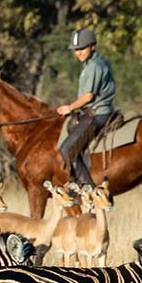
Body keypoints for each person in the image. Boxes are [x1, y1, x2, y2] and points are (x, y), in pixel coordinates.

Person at [56, 27, 115, 187]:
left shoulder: (94, 65)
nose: (79, 53)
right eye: (76, 50)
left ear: (92, 46)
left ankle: (89, 189)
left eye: (82, 48)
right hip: (90, 113)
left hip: (97, 114)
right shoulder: (89, 64)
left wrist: (70, 107)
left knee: (67, 149)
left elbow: (89, 96)